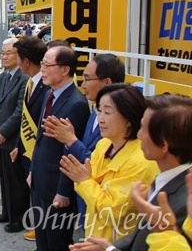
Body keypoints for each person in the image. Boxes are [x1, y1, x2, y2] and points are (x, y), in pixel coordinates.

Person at [70, 94, 192, 251]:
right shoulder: (166, 178)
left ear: (163, 145)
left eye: (144, 129)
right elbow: (143, 233)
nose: (139, 134)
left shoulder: (184, 205)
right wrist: (111, 247)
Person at [60, 84, 159, 240]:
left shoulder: (140, 161)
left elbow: (113, 212)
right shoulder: (104, 144)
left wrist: (85, 182)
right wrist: (84, 181)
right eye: (99, 110)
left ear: (129, 119)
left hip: (116, 243)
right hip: (95, 235)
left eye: (107, 112)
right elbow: (86, 183)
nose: (101, 119)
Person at [42, 53, 126, 229]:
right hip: (87, 204)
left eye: (87, 79)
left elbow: (99, 161)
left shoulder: (120, 121)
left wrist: (71, 140)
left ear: (107, 82)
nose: (82, 85)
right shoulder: (94, 109)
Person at [29, 45, 91, 251]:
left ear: (65, 69)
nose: (42, 69)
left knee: (56, 240)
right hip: (40, 178)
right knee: (42, 237)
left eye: (47, 65)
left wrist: (64, 192)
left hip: (56, 184)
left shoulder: (76, 104)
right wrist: (32, 170)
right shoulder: (50, 93)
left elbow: (71, 150)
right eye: (42, 64)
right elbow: (40, 137)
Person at [0, 38, 29, 232]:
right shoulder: (3, 76)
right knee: (3, 174)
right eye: (2, 53)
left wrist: (5, 130)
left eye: (8, 53)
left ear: (19, 55)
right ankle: (7, 211)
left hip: (13, 136)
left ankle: (19, 217)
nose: (4, 56)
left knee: (16, 179)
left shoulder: (24, 78)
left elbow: (20, 110)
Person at [9, 35, 48, 241]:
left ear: (25, 61)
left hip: (39, 151)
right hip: (25, 146)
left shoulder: (46, 86)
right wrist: (19, 145)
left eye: (16, 56)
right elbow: (25, 114)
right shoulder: (31, 83)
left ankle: (41, 226)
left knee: (41, 192)